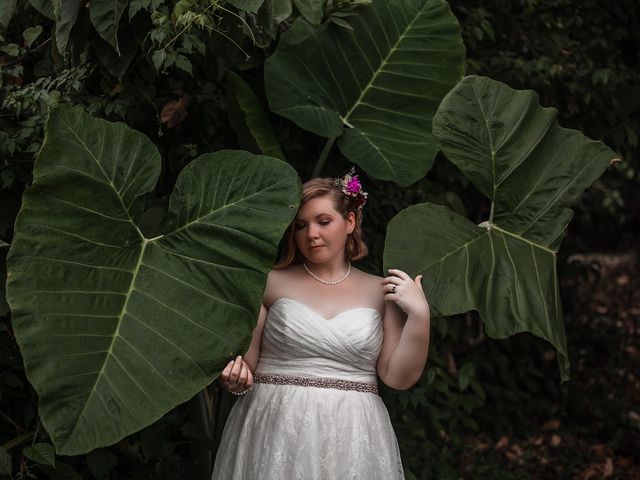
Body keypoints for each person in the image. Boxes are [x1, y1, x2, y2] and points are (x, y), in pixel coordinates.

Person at [212, 169, 431, 479]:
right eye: (301, 225)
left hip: (353, 432)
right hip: (275, 424)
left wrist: (420, 315)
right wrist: (234, 378)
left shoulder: (382, 291)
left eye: (323, 221)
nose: (311, 234)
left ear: (350, 222)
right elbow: (247, 363)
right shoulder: (269, 283)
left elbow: (397, 377)